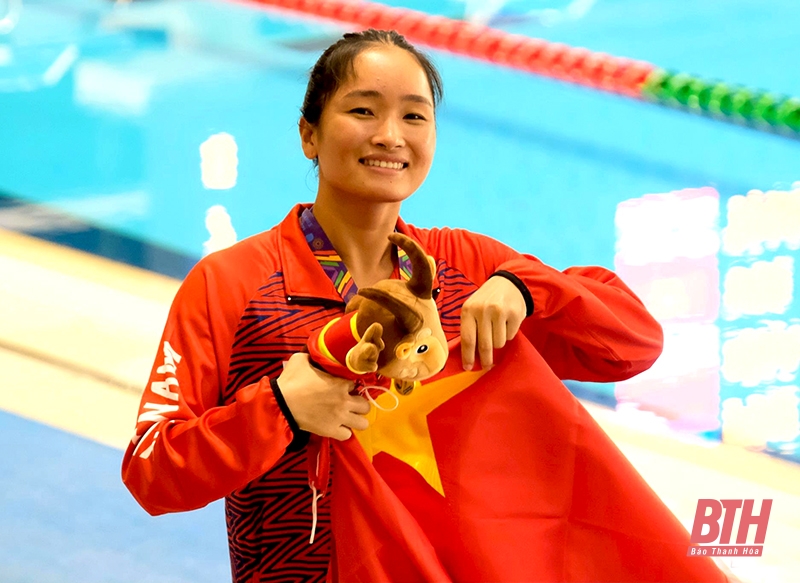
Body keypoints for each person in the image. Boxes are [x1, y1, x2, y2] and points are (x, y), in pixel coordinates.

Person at [122, 29, 664, 582]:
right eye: (363, 110)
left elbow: (632, 347)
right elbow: (153, 472)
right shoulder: (234, 284)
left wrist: (530, 287)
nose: (389, 136)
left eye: (413, 116)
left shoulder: (468, 267)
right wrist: (280, 407)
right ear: (309, 135)